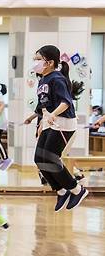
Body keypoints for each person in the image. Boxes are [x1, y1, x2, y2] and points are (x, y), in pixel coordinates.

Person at [32, 45, 88, 211]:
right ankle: (62, 191)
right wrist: (38, 120)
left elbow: (66, 102)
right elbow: (43, 105)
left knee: (51, 158)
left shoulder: (57, 79)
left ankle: (77, 190)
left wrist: (52, 115)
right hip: (50, 124)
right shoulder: (42, 80)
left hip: (64, 124)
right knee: (38, 159)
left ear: (49, 62)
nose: (34, 62)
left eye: (37, 59)